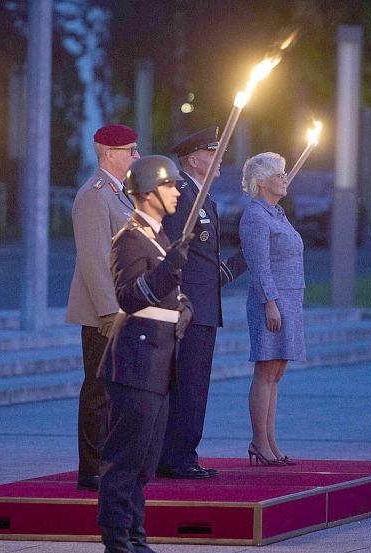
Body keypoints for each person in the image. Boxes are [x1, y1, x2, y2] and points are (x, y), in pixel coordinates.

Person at [97, 155, 192, 553]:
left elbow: (169, 293)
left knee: (146, 461)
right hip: (136, 361)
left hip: (158, 361)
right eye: (169, 185)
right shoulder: (130, 238)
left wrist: (184, 306)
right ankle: (117, 542)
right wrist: (170, 269)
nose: (176, 192)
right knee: (125, 461)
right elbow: (130, 296)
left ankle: (136, 537)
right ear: (150, 192)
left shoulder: (158, 237)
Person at [157, 126, 247, 479]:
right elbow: (173, 254)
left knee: (196, 385)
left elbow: (203, 260)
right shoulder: (183, 196)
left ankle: (184, 454)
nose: (220, 158)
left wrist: (239, 263)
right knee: (187, 385)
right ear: (193, 160)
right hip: (189, 308)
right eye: (213, 153)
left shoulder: (202, 196)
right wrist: (178, 301)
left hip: (205, 305)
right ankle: (176, 458)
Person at [66, 124, 139, 492]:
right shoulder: (95, 195)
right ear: (110, 154)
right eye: (131, 150)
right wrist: (109, 311)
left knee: (116, 391)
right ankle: (92, 468)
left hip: (123, 309)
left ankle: (110, 461)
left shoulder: (118, 194)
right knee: (98, 391)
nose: (137, 156)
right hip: (104, 314)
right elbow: (94, 259)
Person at [238, 152, 306, 467]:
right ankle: (259, 442)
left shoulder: (277, 213)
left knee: (276, 373)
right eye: (279, 174)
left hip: (289, 300)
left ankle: (270, 441)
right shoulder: (256, 216)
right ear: (262, 181)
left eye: (284, 173)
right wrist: (270, 304)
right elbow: (259, 265)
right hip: (271, 301)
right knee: (266, 371)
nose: (285, 178)